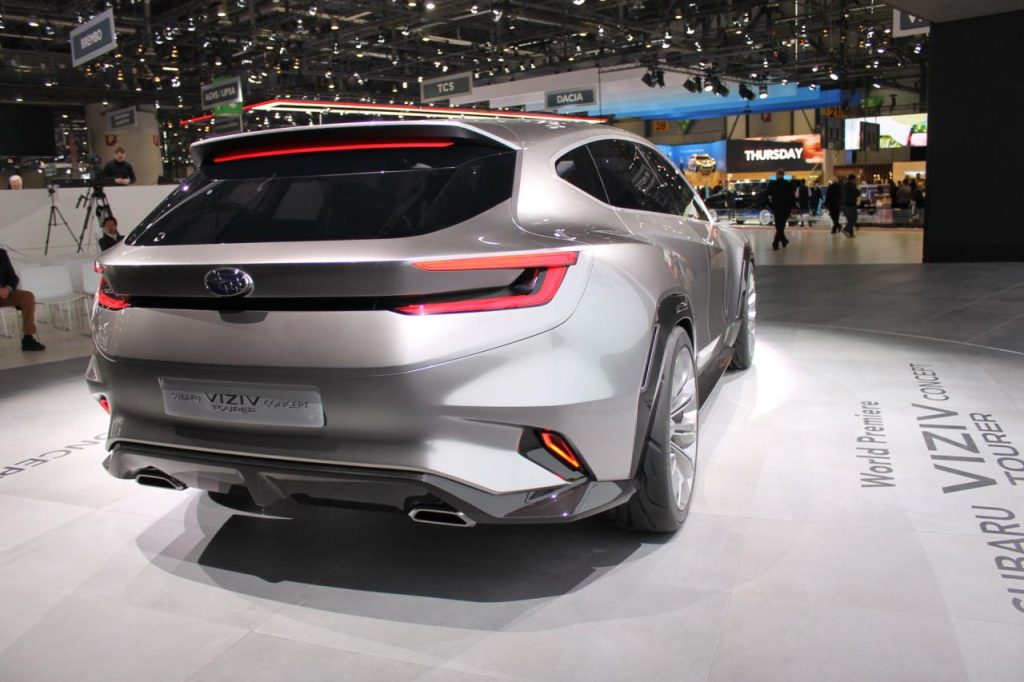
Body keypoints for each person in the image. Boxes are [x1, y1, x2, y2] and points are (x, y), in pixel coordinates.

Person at [0, 249, 46, 351]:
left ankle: (28, 338)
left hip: (3, 293)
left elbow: (13, 278)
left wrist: (7, 289)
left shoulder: (1, 253)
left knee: (27, 296)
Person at [766, 169, 793, 250]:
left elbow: (767, 194)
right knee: (782, 225)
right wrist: (792, 206)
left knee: (778, 225)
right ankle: (782, 241)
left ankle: (777, 242)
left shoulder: (772, 184)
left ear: (777, 175)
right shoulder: (788, 184)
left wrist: (769, 204)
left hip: (776, 207)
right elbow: (792, 196)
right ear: (783, 175)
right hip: (785, 207)